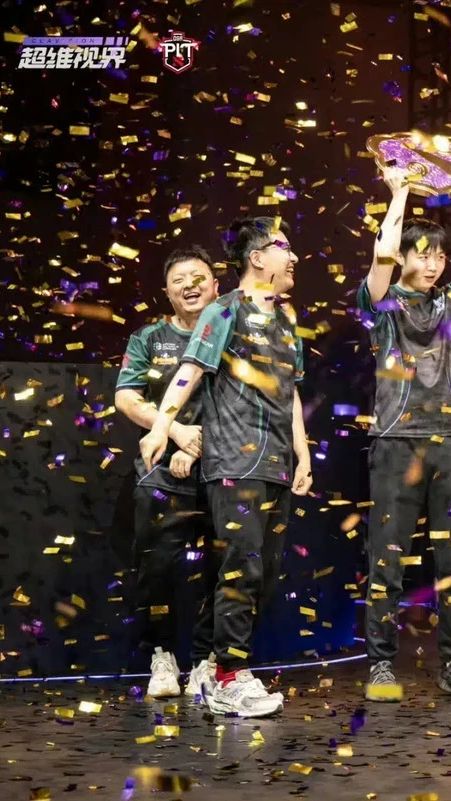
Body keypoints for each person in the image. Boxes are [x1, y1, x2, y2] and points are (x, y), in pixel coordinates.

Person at [139, 217, 313, 718]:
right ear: (257, 258)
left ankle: (217, 667)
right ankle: (229, 678)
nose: (293, 257)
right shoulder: (224, 310)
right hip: (235, 462)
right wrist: (161, 426)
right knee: (241, 571)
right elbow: (190, 370)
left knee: (263, 575)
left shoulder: (287, 321)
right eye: (284, 247)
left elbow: (290, 392)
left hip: (277, 465)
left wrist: (302, 452)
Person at [359, 160, 451, 702]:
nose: (433, 263)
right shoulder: (382, 303)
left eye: (440, 256)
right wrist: (399, 193)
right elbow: (381, 257)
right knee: (387, 558)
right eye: (422, 254)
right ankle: (381, 663)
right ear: (404, 256)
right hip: (395, 444)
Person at [115, 245, 219, 699]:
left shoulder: (231, 333)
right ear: (167, 292)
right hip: (161, 469)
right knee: (156, 566)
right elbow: (126, 396)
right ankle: (161, 656)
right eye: (179, 280)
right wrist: (174, 431)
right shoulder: (149, 337)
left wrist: (200, 447)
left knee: (224, 568)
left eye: (198, 277)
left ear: (216, 285)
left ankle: (207, 661)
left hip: (223, 467)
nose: (189, 286)